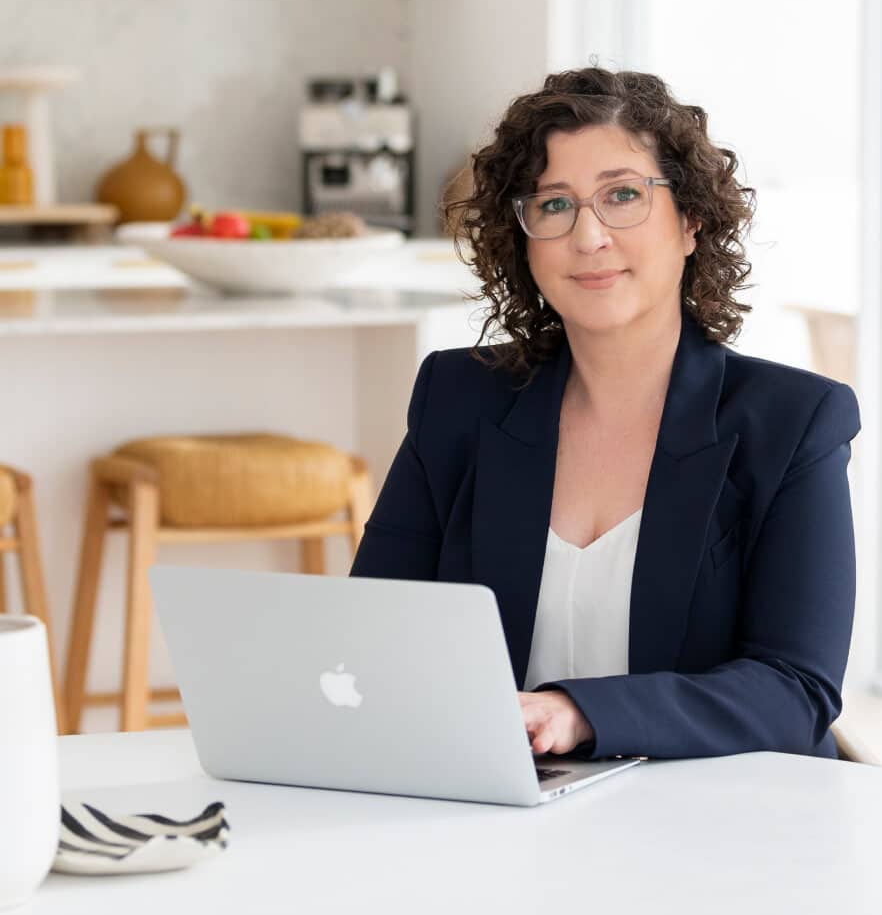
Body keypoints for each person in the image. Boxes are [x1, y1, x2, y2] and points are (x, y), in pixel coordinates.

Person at [350, 66, 861, 761]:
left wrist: (580, 713)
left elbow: (795, 690)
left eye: (623, 195)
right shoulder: (456, 397)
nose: (588, 236)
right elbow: (373, 634)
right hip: (501, 813)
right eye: (554, 205)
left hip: (723, 828)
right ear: (523, 239)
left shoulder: (794, 422)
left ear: (691, 220)